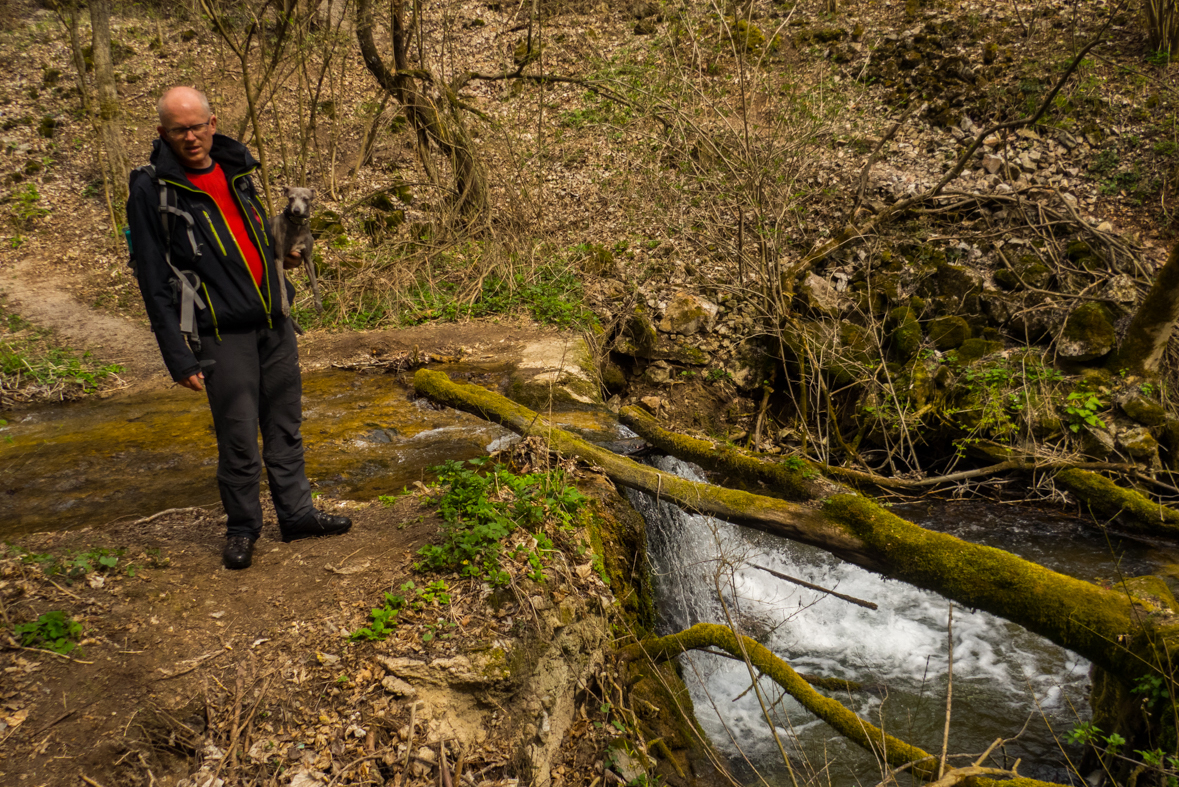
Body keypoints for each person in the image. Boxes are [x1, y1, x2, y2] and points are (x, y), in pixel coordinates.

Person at [127, 86, 350, 570]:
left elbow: (251, 242)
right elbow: (151, 275)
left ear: (212, 123)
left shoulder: (236, 168)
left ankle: (296, 516)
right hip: (219, 332)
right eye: (178, 130)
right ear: (163, 133)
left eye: (197, 126)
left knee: (286, 428)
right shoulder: (152, 189)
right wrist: (178, 356)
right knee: (238, 437)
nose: (190, 138)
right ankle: (243, 528)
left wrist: (284, 263)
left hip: (275, 322)